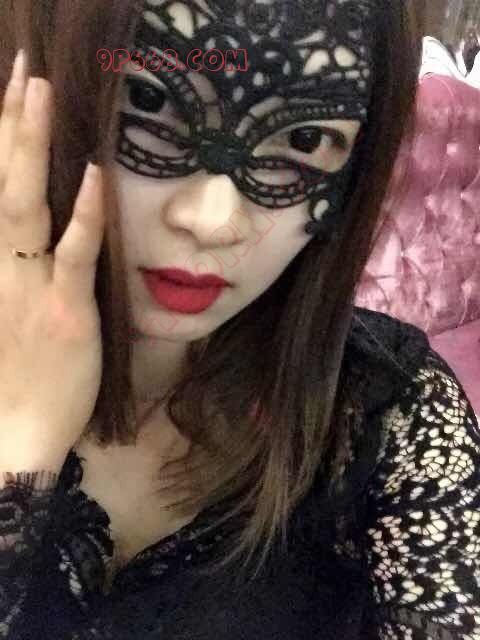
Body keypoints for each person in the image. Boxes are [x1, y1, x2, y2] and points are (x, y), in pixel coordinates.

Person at [0, 1, 479, 639]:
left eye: (303, 140)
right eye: (149, 102)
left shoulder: (390, 411)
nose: (213, 220)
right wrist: (19, 447)